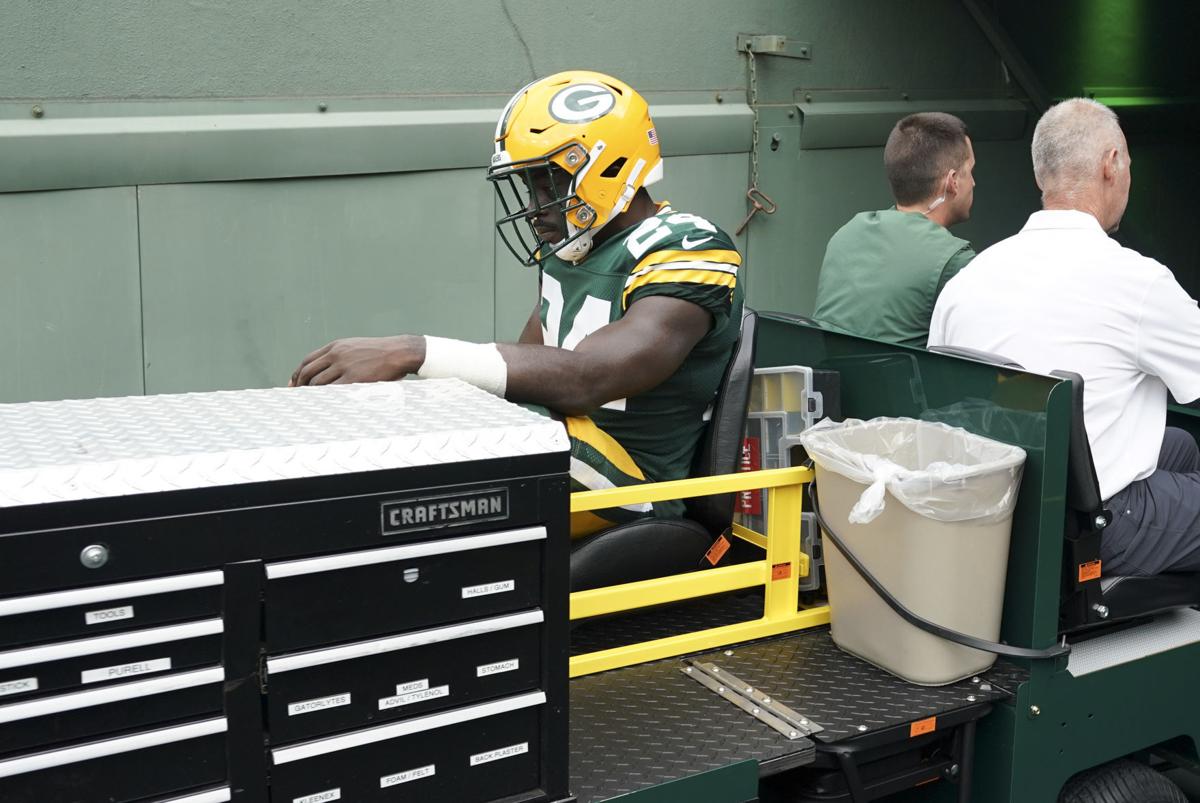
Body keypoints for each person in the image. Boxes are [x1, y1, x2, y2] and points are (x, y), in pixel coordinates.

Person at [291, 70, 745, 537]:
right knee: (410, 413)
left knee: (450, 449)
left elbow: (589, 379)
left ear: (609, 168)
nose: (535, 205)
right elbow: (527, 379)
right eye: (529, 185)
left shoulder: (690, 246)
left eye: (551, 183)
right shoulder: (576, 248)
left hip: (633, 485)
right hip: (571, 449)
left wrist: (412, 351)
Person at [929, 97, 1200, 576]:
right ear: (1112, 166)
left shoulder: (967, 280)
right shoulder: (1139, 283)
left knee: (1180, 446)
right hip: (1093, 525)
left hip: (1000, 508)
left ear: (1041, 177)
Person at [812, 112, 976, 348]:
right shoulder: (955, 261)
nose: (973, 182)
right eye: (970, 171)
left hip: (828, 383)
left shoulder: (847, 234)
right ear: (952, 181)